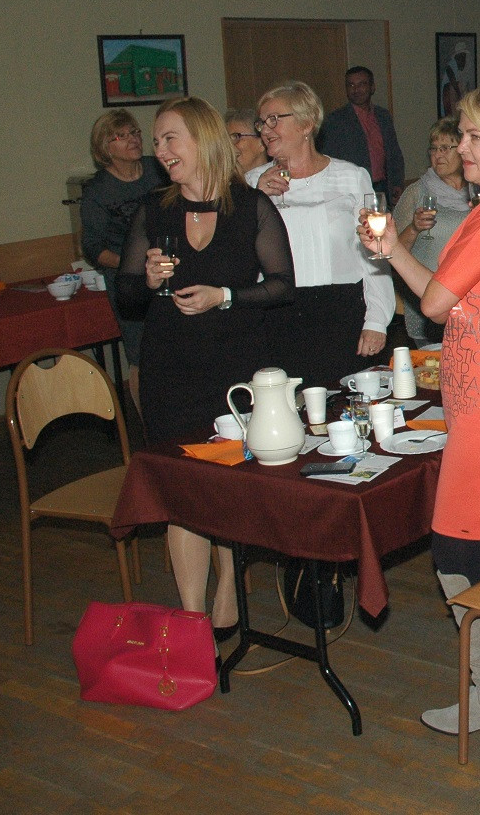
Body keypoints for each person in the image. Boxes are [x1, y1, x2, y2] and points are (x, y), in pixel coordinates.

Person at [360, 84, 480, 735]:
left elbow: (436, 303)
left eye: (475, 137)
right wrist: (396, 248)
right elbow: (455, 300)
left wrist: (392, 250)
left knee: (455, 548)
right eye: (462, 135)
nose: (462, 147)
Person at [117, 96, 295, 644]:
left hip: (234, 368)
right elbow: (126, 297)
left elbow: (282, 286)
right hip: (169, 367)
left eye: (170, 138)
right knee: (181, 491)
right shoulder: (154, 210)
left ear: (202, 140)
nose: (160, 150)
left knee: (229, 485)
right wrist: (148, 281)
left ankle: (228, 594)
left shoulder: (251, 208)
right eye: (156, 141)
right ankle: (192, 619)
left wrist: (225, 296)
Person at [249, 80, 394, 386]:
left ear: (307, 124)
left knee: (345, 403)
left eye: (274, 119)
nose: (265, 129)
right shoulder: (250, 184)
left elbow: (375, 251)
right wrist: (255, 199)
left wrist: (377, 320)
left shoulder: (351, 176)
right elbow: (236, 258)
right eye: (261, 122)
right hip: (276, 314)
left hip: (340, 312)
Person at [81, 109, 167, 407]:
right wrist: (133, 264)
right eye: (122, 136)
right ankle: (147, 425)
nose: (133, 139)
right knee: (141, 355)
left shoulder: (158, 169)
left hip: (169, 270)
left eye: (135, 133)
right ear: (105, 147)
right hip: (129, 282)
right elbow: (93, 249)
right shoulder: (98, 191)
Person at [392, 117, 472, 348]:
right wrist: (414, 228)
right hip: (426, 297)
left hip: (468, 301)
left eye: (445, 148)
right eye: (434, 149)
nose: (438, 155)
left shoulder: (478, 192)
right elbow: (393, 250)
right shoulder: (416, 192)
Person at [318, 66, 405, 203]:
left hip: (382, 187)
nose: (356, 90)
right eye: (351, 85)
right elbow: (327, 158)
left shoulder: (383, 116)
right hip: (352, 189)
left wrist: (397, 182)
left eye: (361, 84)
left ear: (372, 87)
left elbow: (394, 152)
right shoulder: (335, 120)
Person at [225, 107, 269, 178]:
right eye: (227, 140)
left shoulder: (278, 180)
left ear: (262, 143)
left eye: (236, 137)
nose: (230, 146)